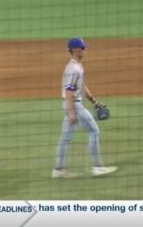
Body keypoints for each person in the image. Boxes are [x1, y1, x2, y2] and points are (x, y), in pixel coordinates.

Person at [52, 37, 118, 178]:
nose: (84, 50)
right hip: (74, 105)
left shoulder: (77, 66)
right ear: (75, 50)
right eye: (82, 48)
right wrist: (72, 113)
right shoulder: (73, 68)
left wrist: (94, 101)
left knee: (65, 138)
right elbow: (69, 92)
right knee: (94, 131)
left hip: (71, 104)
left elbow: (81, 87)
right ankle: (97, 167)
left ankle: (58, 170)